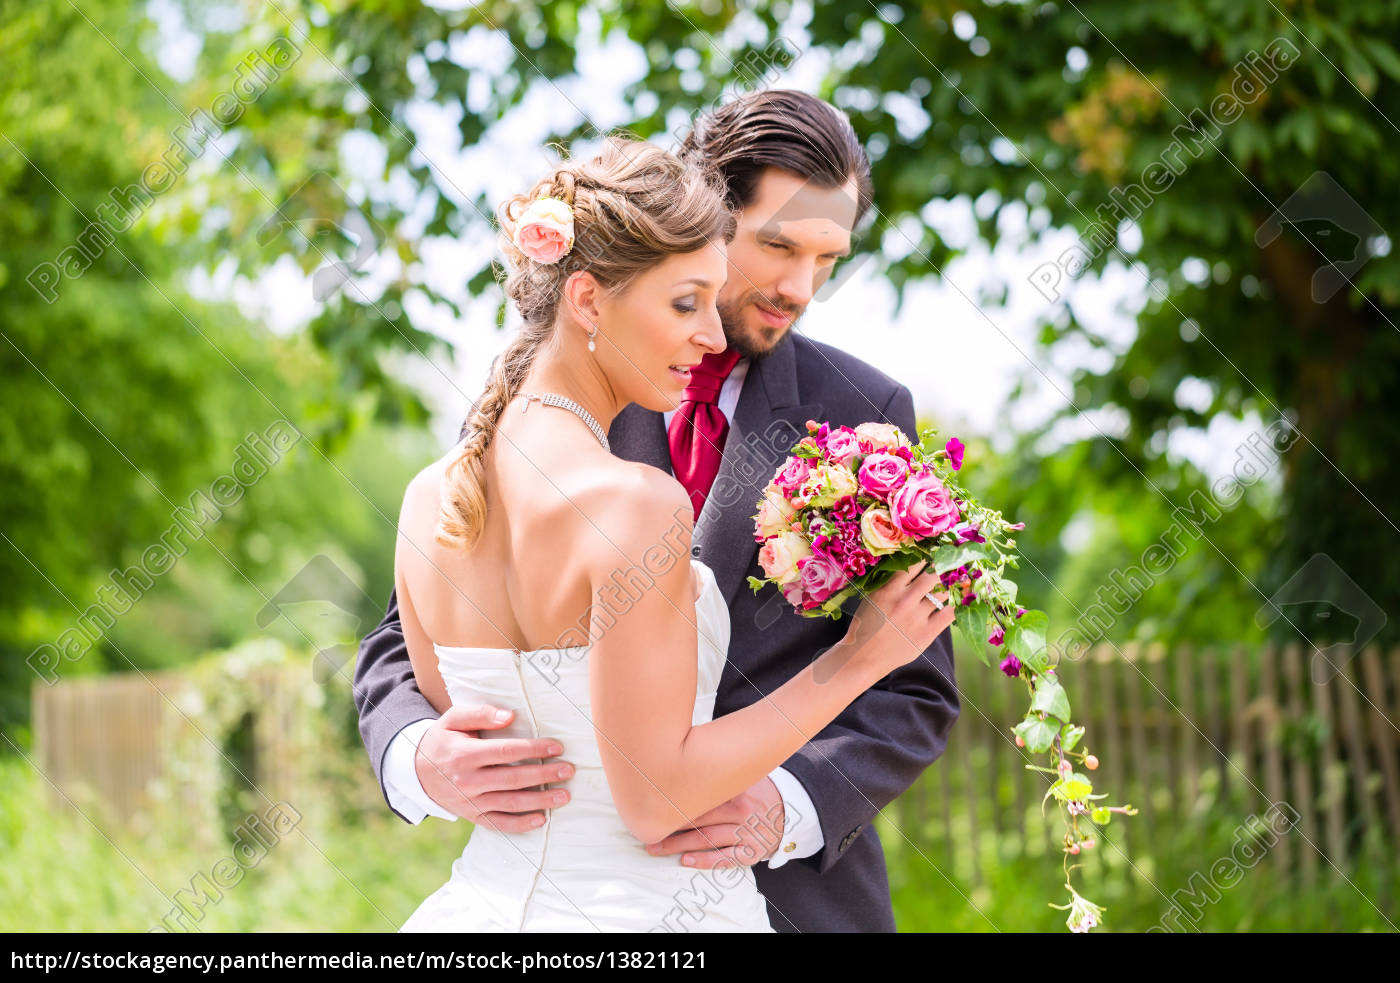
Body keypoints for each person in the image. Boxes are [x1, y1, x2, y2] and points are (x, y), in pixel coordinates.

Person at [358, 90, 960, 933]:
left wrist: (790, 805)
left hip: (789, 902)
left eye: (828, 259)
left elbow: (918, 684)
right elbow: (407, 630)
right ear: (709, 213)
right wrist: (419, 756)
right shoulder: (517, 415)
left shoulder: (864, 407)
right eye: (778, 245)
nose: (799, 287)